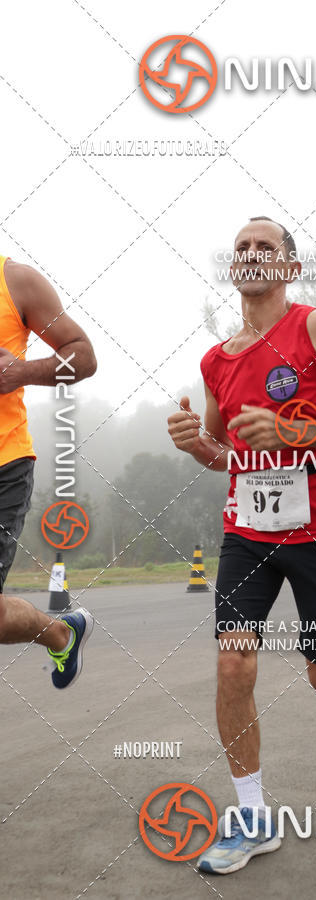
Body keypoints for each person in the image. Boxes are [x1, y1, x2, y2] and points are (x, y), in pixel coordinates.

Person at [168, 216, 316, 875]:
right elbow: (223, 453)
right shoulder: (217, 360)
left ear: (289, 268)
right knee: (233, 665)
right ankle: (251, 819)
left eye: (264, 247)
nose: (250, 255)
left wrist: (294, 433)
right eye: (241, 247)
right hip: (246, 532)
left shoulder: (315, 329)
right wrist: (195, 444)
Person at [0, 256, 96, 687]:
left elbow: (83, 355)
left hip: (4, 463)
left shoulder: (15, 281)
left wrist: (19, 372)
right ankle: (61, 633)